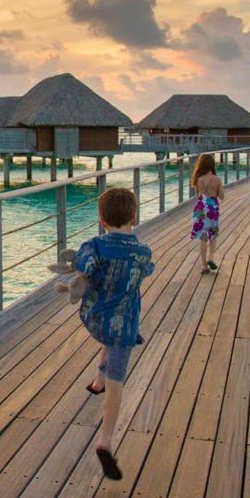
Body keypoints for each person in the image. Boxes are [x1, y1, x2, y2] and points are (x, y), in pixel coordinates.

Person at [71, 187, 155, 480]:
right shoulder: (143, 252)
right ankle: (105, 441)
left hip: (95, 318)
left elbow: (83, 266)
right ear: (134, 217)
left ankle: (97, 382)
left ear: (102, 220)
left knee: (107, 334)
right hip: (123, 328)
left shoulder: (94, 245)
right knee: (117, 385)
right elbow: (148, 269)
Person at [190, 153, 224, 274]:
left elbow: (198, 195)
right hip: (213, 208)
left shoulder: (198, 179)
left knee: (203, 237)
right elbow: (222, 196)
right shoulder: (217, 179)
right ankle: (211, 257)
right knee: (213, 234)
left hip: (201, 208)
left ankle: (204, 266)